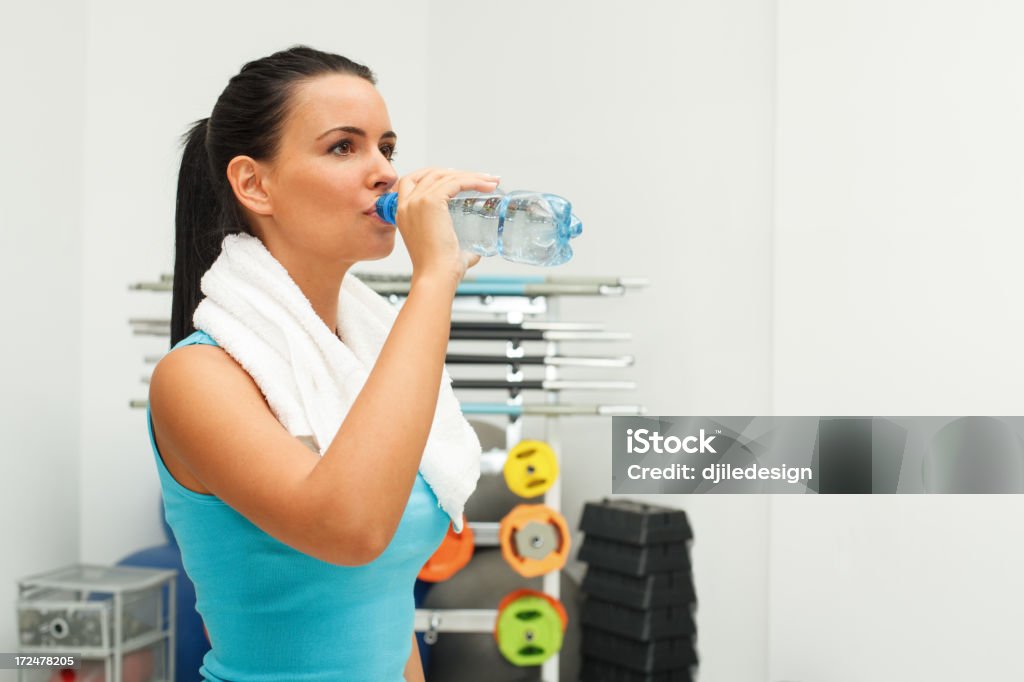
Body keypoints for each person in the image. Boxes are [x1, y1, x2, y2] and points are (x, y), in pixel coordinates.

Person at [146, 45, 498, 681]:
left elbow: (388, 621)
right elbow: (351, 531)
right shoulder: (196, 378)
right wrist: (433, 282)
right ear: (254, 183)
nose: (386, 172)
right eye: (344, 147)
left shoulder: (361, 364)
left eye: (386, 148)